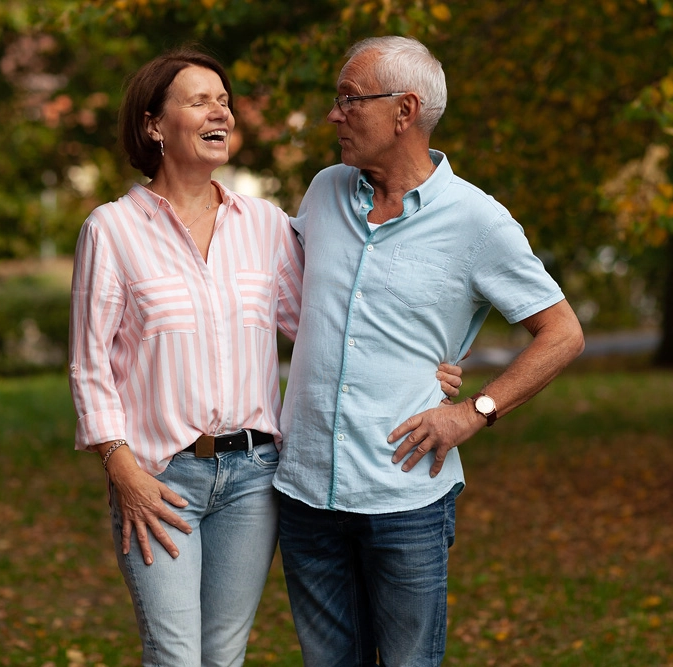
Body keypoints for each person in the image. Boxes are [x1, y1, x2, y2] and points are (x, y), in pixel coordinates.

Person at [67, 47, 462, 667]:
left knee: (223, 655)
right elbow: (89, 368)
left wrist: (413, 365)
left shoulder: (266, 225)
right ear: (153, 125)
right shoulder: (111, 230)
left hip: (254, 478)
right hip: (158, 477)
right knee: (174, 655)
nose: (218, 110)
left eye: (223, 100)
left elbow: (328, 324)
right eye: (199, 101)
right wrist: (122, 472)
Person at [274, 36, 586, 666]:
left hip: (403, 498)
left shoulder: (478, 221)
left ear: (404, 111)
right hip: (306, 493)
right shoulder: (324, 191)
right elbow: (295, 303)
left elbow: (564, 332)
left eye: (349, 100)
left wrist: (474, 410)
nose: (334, 115)